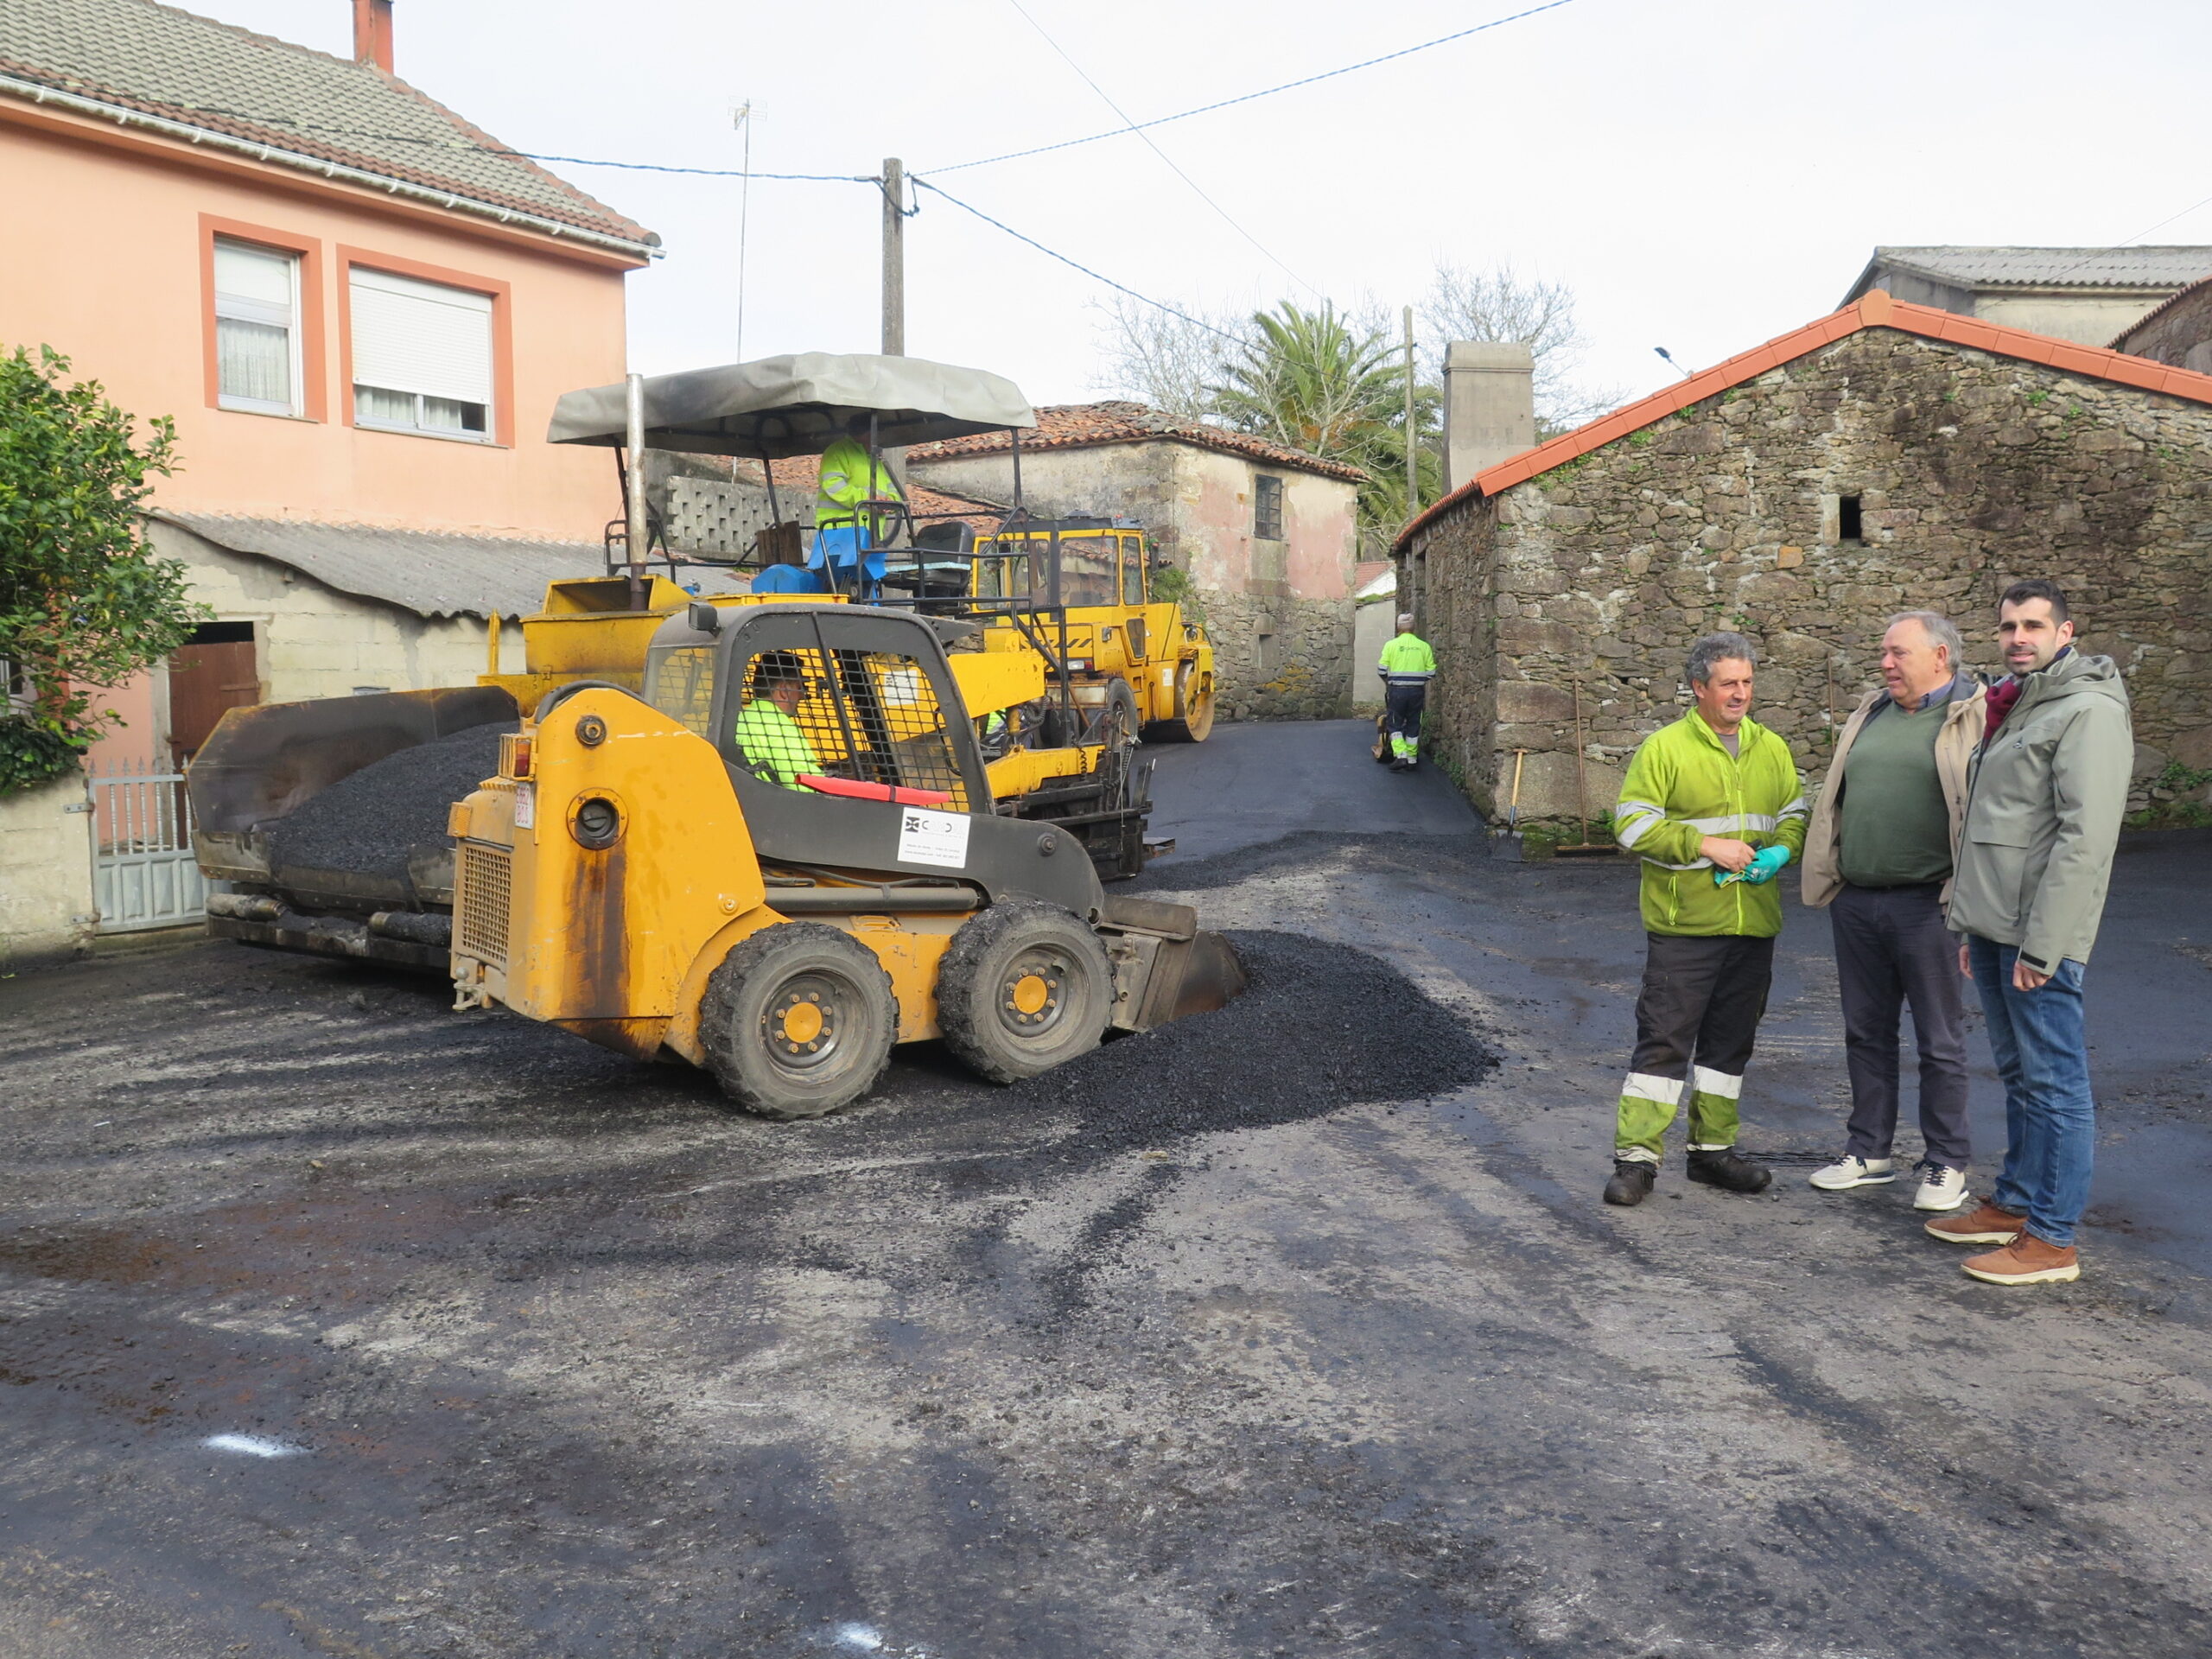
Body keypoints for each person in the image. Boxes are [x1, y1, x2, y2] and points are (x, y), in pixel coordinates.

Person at [1927, 580, 2132, 1287]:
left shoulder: (2086, 711)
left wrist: (2045, 946)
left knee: (2057, 1084)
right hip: (1995, 926)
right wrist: (1971, 925)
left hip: (2038, 934)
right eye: (2009, 624)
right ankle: (2015, 1203)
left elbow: (2085, 839)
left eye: (2034, 626)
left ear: (2066, 632)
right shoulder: (2018, 704)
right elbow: (1998, 826)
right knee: (2020, 1075)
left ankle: (2052, 1239)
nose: (2018, 636)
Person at [1604, 632, 1808, 1206]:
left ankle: (1712, 1153)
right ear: (1700, 688)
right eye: (1729, 684)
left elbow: (1793, 814)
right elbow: (1633, 827)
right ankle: (1636, 1162)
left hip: (1752, 925)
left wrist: (1781, 852)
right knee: (1665, 1044)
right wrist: (1706, 845)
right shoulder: (1665, 749)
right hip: (1686, 926)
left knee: (1729, 1046)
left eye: (1747, 682)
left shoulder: (1771, 747)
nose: (1741, 694)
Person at [1799, 612, 1987, 1211]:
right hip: (1857, 900)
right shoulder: (1872, 711)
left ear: (1940, 656)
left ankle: (1946, 1163)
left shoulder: (1974, 716)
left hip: (1927, 904)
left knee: (1940, 1040)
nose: (1885, 663)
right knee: (1866, 1032)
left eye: (1897, 653)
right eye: (1883, 652)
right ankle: (1869, 1152)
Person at [733, 651, 824, 790]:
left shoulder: (738, 720)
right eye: (799, 688)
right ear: (784, 690)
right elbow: (805, 786)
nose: (801, 696)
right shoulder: (779, 728)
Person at [1376, 613, 1435, 772]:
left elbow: (1381, 670)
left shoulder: (1391, 645)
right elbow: (1431, 672)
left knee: (1394, 723)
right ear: (1413, 627)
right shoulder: (1424, 646)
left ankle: (1401, 755)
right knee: (1414, 724)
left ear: (1398, 628)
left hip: (1397, 691)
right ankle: (1412, 758)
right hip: (1417, 692)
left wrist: (1388, 681)